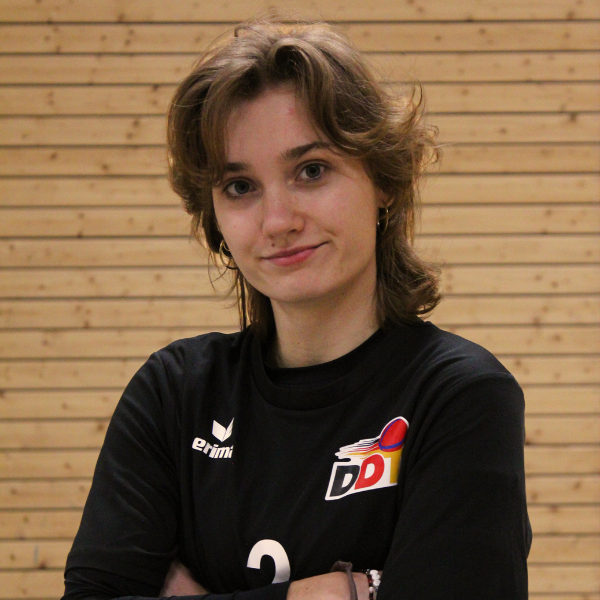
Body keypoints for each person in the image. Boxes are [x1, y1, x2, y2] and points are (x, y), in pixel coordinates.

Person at [61, 18, 531, 600]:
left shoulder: (459, 397)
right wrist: (319, 594)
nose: (278, 221)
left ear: (384, 180)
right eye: (240, 186)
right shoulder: (174, 394)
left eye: (311, 171)